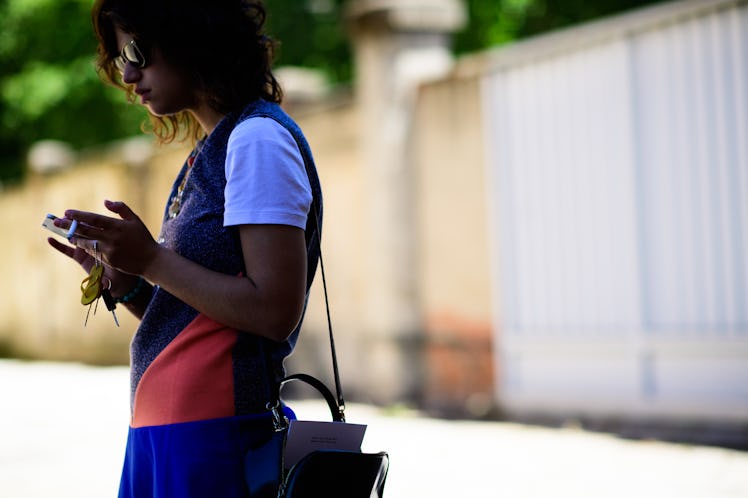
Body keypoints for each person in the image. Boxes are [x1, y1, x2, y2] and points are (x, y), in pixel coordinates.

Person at [47, 1, 322, 496]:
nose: (128, 74)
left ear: (191, 34)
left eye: (135, 50)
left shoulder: (256, 139)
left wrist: (152, 259)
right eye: (118, 58)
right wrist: (127, 280)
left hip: (214, 438)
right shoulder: (211, 149)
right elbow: (193, 322)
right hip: (170, 436)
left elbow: (273, 310)